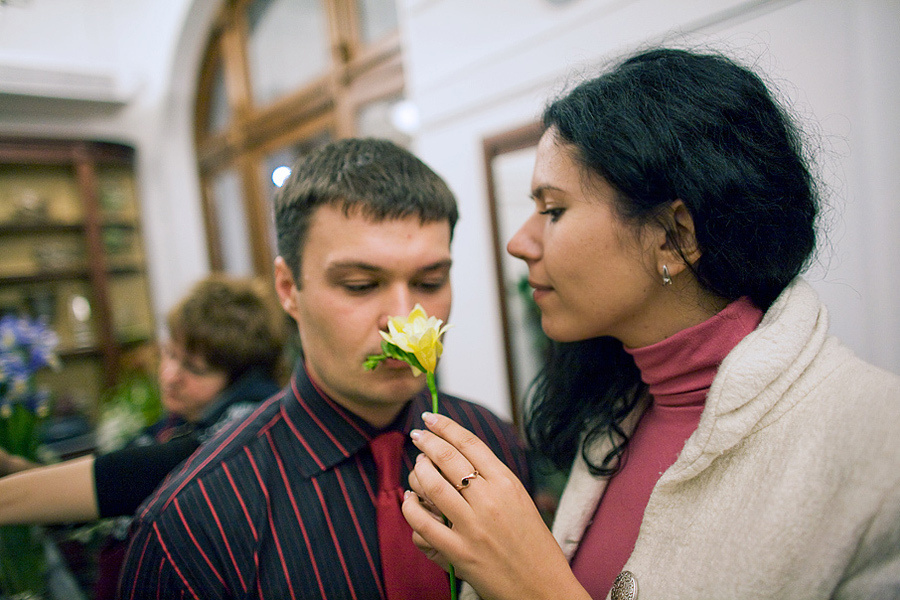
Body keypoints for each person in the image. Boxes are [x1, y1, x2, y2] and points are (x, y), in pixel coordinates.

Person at [401, 47, 900, 600]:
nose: (520, 243)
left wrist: (531, 585)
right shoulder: (616, 407)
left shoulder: (879, 442)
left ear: (673, 236)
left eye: (554, 210)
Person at [116, 138, 531, 600]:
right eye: (360, 285)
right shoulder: (195, 522)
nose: (403, 319)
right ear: (289, 287)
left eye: (429, 281)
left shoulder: (491, 445)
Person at [0, 274, 287, 598]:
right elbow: (86, 491)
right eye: (169, 354)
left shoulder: (249, 422)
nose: (169, 375)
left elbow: (138, 475)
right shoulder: (173, 424)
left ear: (244, 379)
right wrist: (11, 467)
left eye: (193, 368)